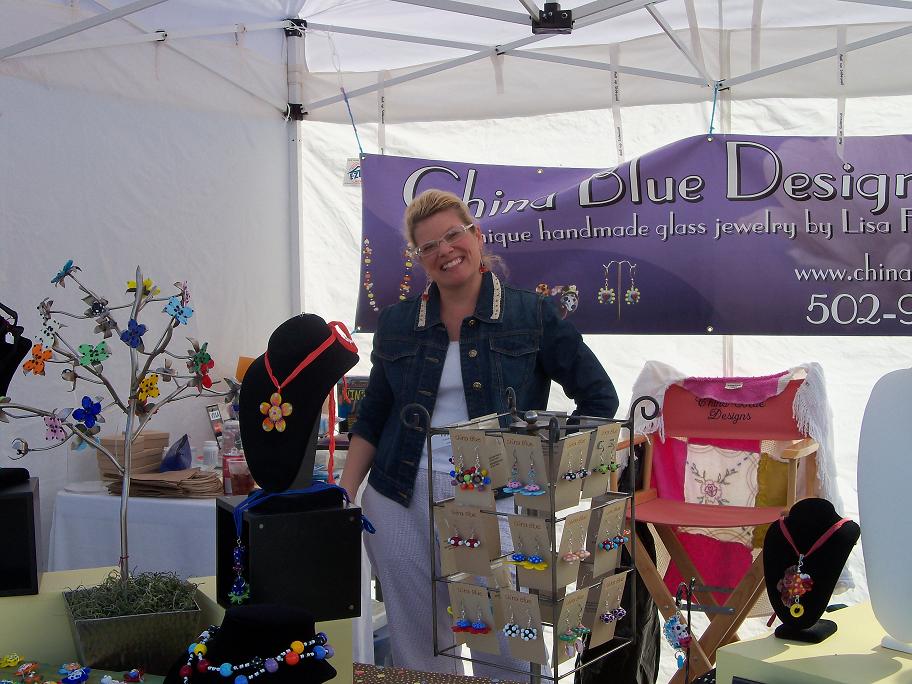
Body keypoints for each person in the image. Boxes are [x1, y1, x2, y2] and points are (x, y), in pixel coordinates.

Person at [340, 189, 619, 676]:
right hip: (398, 494)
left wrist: (543, 470)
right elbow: (374, 415)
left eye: (453, 235)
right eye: (429, 246)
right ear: (419, 258)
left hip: (495, 498)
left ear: (477, 235)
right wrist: (344, 491)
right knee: (418, 642)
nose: (445, 251)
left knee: (507, 645)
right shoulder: (398, 323)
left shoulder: (531, 314)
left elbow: (599, 399)